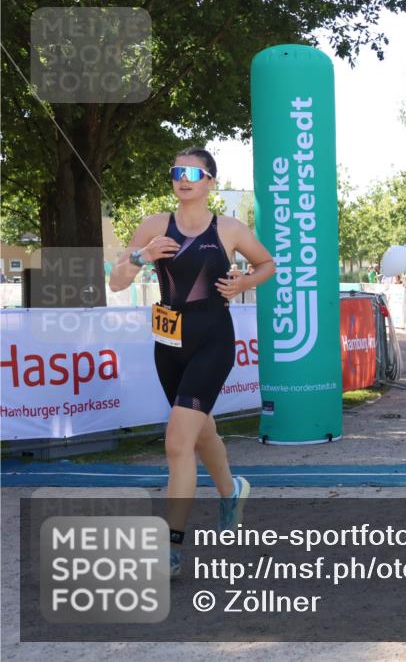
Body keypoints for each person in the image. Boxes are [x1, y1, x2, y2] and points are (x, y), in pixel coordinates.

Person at [109, 147, 275, 577]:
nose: (182, 179)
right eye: (176, 172)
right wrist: (142, 256)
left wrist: (244, 282)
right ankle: (232, 490)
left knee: (178, 442)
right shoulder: (152, 226)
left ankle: (172, 546)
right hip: (168, 343)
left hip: (213, 340)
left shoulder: (231, 229)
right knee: (202, 431)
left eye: (192, 172)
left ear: (210, 182)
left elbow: (267, 264)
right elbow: (115, 280)